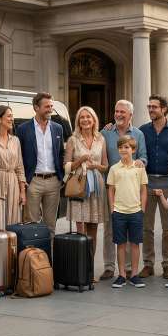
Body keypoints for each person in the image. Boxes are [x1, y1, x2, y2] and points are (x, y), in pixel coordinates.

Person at [99, 100, 147, 281]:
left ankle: (128, 269)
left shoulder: (138, 134)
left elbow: (143, 156)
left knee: (130, 232)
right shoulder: (105, 132)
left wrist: (141, 162)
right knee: (111, 228)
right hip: (111, 185)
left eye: (122, 112)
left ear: (130, 115)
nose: (118, 115)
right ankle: (109, 267)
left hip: (132, 187)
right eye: (116, 111)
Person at [138, 95, 168, 280]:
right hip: (146, 182)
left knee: (167, 228)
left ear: (164, 109)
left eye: (154, 107)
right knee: (146, 227)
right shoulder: (142, 130)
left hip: (167, 183)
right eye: (149, 106)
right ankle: (148, 264)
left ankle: (167, 264)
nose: (150, 110)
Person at [63, 106, 108, 266]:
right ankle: (79, 267)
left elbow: (105, 166)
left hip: (96, 186)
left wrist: (94, 166)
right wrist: (81, 160)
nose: (85, 120)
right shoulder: (72, 140)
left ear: (94, 120)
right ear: (78, 121)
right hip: (79, 185)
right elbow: (66, 167)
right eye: (82, 117)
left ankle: (89, 268)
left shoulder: (101, 138)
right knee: (81, 227)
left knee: (93, 229)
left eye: (88, 117)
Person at [17, 92, 65, 233]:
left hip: (53, 181)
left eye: (51, 106)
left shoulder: (58, 128)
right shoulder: (23, 129)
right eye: (46, 106)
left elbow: (61, 153)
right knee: (31, 224)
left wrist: (60, 178)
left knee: (51, 226)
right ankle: (33, 255)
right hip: (33, 181)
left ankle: (48, 255)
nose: (50, 109)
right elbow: (19, 157)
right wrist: (23, 182)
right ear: (36, 108)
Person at [106, 135, 148, 289]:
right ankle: (122, 274)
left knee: (135, 244)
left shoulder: (139, 168)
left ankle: (135, 274)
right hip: (119, 212)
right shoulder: (114, 169)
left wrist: (142, 208)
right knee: (121, 244)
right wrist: (112, 208)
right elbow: (111, 189)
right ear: (118, 150)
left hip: (136, 211)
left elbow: (144, 189)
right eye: (121, 147)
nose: (124, 150)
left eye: (127, 147)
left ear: (133, 150)